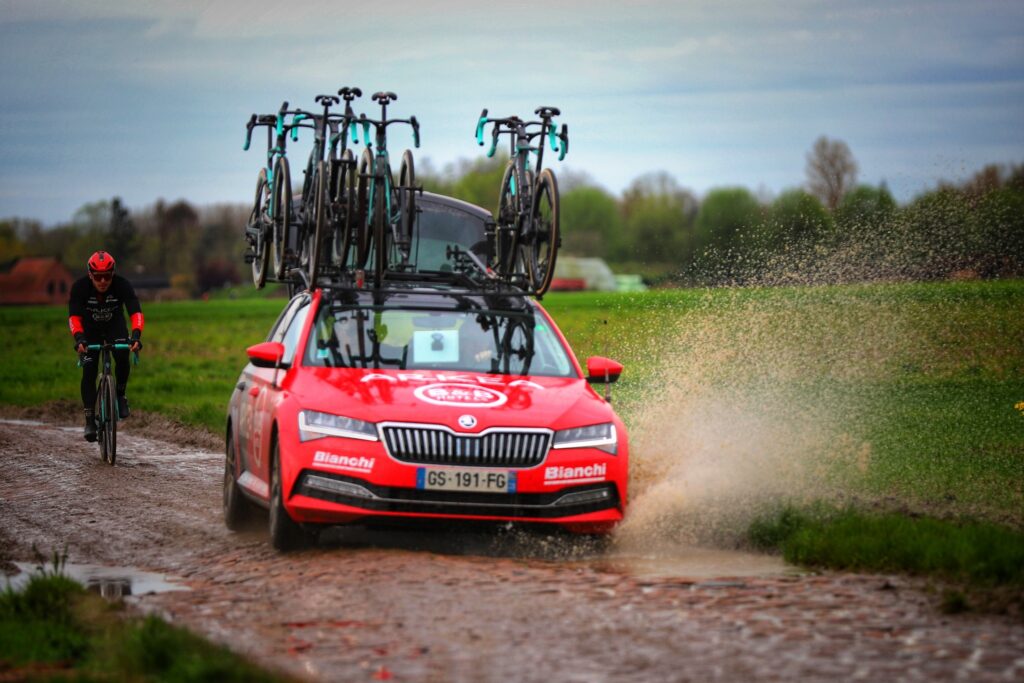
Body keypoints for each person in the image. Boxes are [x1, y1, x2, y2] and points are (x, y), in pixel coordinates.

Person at [68, 251, 144, 441]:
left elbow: (135, 312)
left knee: (122, 357)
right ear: (90, 275)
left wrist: (135, 336)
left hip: (115, 327)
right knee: (89, 369)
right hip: (89, 332)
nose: (103, 281)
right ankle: (89, 420)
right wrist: (79, 339)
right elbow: (74, 317)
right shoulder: (80, 287)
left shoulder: (122, 285)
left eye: (107, 276)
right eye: (98, 277)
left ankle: (120, 394)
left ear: (113, 274)